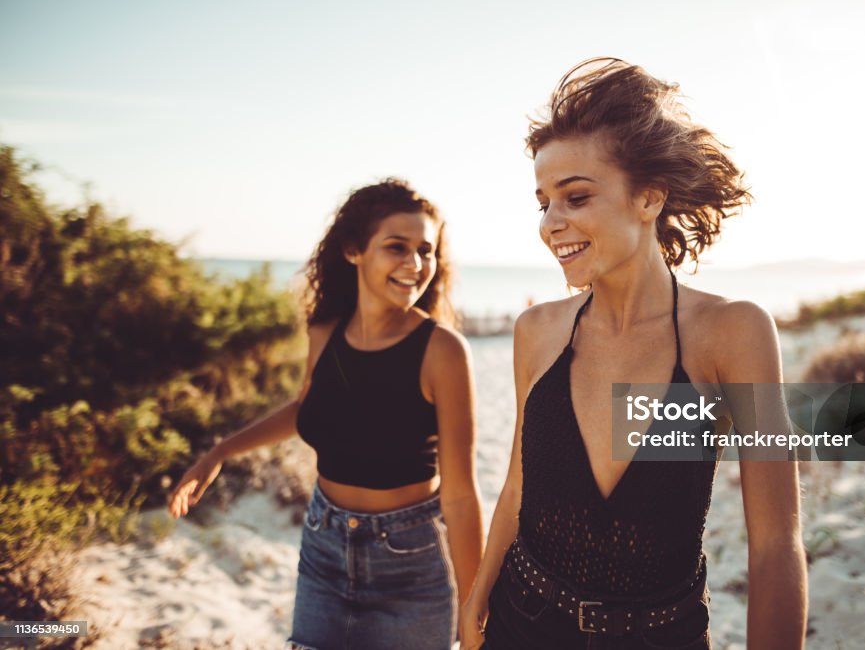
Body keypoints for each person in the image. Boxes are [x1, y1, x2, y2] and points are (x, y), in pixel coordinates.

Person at [459, 59, 808, 649]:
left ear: (648, 199)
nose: (551, 223)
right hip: (523, 620)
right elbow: (520, 479)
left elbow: (776, 542)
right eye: (543, 201)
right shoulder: (537, 331)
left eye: (575, 197)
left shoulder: (731, 332)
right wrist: (478, 593)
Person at [168, 179, 483, 650]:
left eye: (426, 250)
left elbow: (459, 497)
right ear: (354, 250)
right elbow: (309, 410)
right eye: (396, 247)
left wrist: (473, 612)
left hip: (410, 561)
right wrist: (221, 451)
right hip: (323, 545)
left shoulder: (443, 352)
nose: (415, 265)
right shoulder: (325, 331)